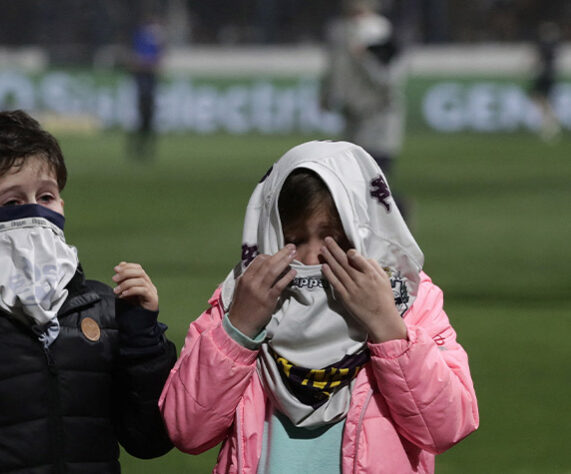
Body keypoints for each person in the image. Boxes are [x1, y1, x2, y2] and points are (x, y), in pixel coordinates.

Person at [159, 141, 479, 473]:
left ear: (363, 233)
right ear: (269, 235)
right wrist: (238, 330)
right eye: (293, 241)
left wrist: (387, 328)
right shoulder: (240, 299)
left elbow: (446, 427)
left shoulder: (407, 301)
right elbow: (186, 430)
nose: (312, 258)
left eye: (335, 240)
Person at [0, 110, 177, 472]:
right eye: (11, 202)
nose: (35, 214)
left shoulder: (102, 308)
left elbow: (150, 439)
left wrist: (143, 341)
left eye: (46, 196)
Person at [320, 0, 404, 177]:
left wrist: (365, 58)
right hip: (353, 108)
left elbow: (387, 74)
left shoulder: (377, 28)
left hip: (377, 110)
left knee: (373, 169)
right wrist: (326, 95)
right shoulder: (339, 31)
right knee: (353, 170)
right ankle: (395, 203)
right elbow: (334, 68)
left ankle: (398, 204)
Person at [128, 15, 165, 160]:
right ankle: (139, 147)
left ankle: (144, 148)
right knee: (142, 116)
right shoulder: (143, 38)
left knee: (149, 117)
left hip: (149, 81)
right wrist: (148, 64)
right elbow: (136, 61)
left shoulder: (155, 41)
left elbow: (158, 61)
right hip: (142, 81)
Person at [529, 21, 562, 143]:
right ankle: (550, 121)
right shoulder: (555, 45)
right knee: (543, 98)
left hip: (543, 75)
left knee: (537, 96)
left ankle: (551, 120)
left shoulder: (543, 45)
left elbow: (539, 60)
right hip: (551, 75)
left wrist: (533, 69)